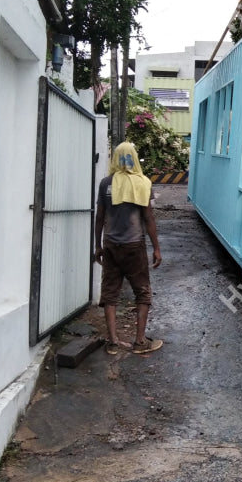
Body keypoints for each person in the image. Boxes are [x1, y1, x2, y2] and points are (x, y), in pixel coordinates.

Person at [94, 141, 163, 355]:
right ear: (133, 158)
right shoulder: (143, 183)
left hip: (111, 245)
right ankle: (140, 341)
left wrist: (98, 245)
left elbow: (100, 217)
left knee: (110, 293)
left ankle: (113, 342)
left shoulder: (106, 183)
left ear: (116, 158)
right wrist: (157, 248)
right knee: (142, 292)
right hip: (134, 246)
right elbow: (148, 218)